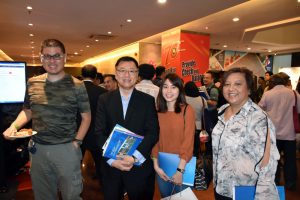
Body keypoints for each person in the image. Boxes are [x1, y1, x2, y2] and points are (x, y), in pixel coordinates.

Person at [3, 39, 91, 200]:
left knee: (71, 195)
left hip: (66, 149)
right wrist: (14, 126)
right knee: (43, 195)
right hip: (38, 150)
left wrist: (77, 142)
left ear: (64, 57)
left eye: (57, 56)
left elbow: (86, 117)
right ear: (41, 57)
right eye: (47, 56)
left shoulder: (77, 85)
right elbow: (28, 111)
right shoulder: (32, 83)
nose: (52, 60)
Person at [95, 56, 159, 200]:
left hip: (139, 167)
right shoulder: (104, 99)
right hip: (111, 166)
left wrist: (134, 157)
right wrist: (112, 160)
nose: (127, 75)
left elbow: (153, 132)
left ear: (137, 75)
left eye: (132, 71)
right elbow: (99, 133)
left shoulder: (147, 100)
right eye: (122, 71)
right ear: (116, 74)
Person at [213, 67, 280, 199]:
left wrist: (261, 196)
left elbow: (268, 164)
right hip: (221, 187)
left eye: (238, 84)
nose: (231, 88)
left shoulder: (258, 118)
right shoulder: (222, 110)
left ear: (249, 89)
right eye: (227, 84)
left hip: (245, 192)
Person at [152, 73, 195, 198]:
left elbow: (188, 142)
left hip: (183, 166)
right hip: (162, 167)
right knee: (166, 197)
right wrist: (156, 166)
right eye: (165, 87)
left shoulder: (187, 110)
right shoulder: (157, 111)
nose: (169, 91)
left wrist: (180, 170)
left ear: (180, 90)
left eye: (173, 87)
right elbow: (155, 141)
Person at [259, 73, 300, 191]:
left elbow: (260, 110)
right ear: (285, 81)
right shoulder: (294, 94)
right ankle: (290, 183)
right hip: (290, 133)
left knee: (273, 160)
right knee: (290, 160)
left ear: (273, 82)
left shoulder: (268, 94)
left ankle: (274, 182)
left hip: (272, 133)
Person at [80, 65, 107, 182]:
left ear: (82, 75)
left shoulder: (74, 90)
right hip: (96, 133)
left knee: (76, 163)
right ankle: (102, 183)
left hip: (78, 132)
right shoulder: (103, 92)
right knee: (99, 162)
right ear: (95, 76)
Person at [184, 81, 207, 158]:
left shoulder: (183, 99)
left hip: (185, 126)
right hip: (199, 126)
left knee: (187, 147)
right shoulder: (202, 99)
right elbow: (205, 112)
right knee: (197, 147)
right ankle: (197, 162)